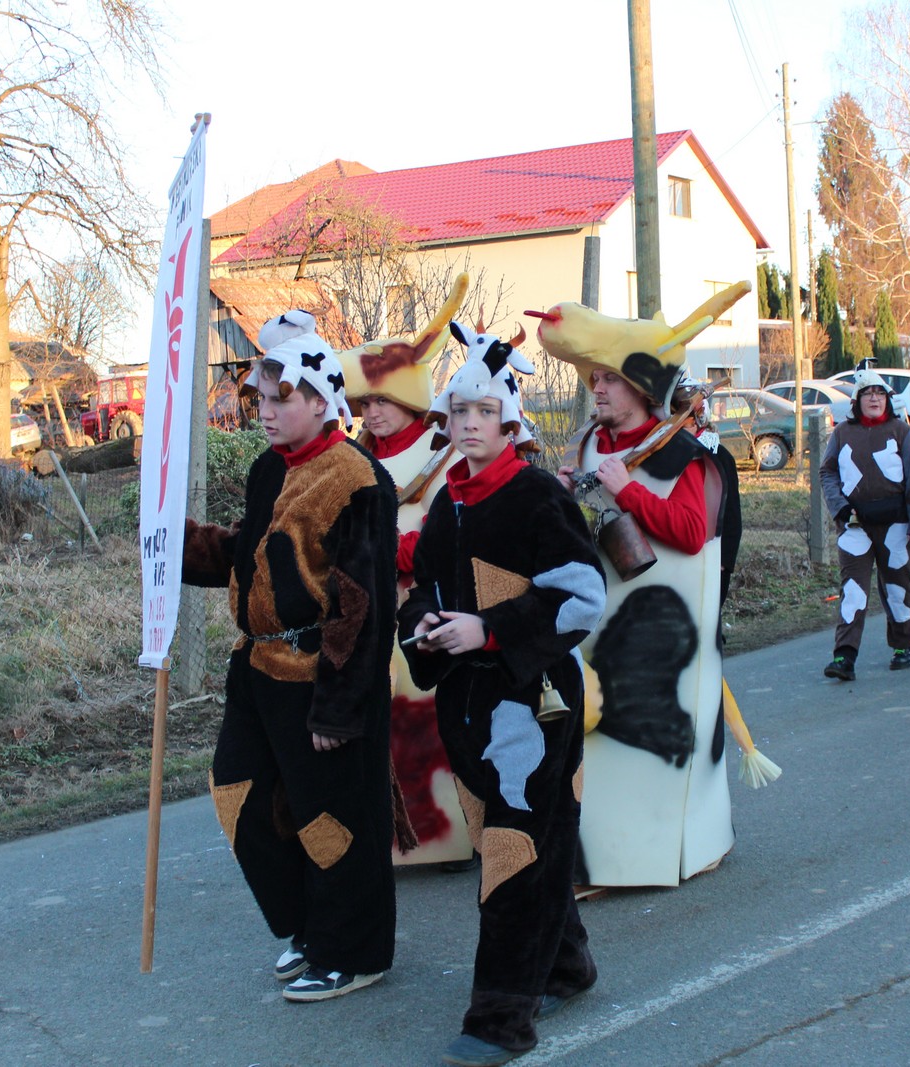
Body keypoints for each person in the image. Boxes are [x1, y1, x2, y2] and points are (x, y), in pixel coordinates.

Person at [399, 323, 603, 1067]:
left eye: (483, 413)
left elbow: (582, 596)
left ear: (510, 420)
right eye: (458, 414)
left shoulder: (537, 494)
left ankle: (500, 1018)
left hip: (532, 705)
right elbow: (421, 587)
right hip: (467, 711)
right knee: (518, 843)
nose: (468, 425)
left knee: (513, 853)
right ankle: (564, 964)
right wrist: (423, 627)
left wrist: (485, 631)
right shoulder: (446, 505)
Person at [180, 310, 399, 1002]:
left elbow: (361, 604)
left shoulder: (358, 479)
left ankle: (353, 950)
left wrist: (339, 704)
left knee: (330, 818)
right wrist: (174, 546)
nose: (267, 413)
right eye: (262, 401)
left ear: (320, 400)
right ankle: (310, 926)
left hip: (321, 679)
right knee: (242, 797)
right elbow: (253, 557)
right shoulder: (266, 469)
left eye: (281, 400)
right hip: (257, 673)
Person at [532, 282, 749, 889]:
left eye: (610, 378)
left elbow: (690, 532)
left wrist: (624, 488)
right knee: (596, 741)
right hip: (597, 627)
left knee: (653, 738)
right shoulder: (587, 444)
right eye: (593, 378)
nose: (596, 388)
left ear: (643, 387)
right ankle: (603, 858)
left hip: (663, 632)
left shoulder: (683, 452)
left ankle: (668, 852)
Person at [340, 274, 476, 869]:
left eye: (384, 401)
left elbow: (444, 539)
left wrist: (378, 551)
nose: (374, 413)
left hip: (425, 608)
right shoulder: (351, 461)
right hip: (367, 614)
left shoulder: (445, 454)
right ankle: (391, 839)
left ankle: (448, 836)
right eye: (365, 402)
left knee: (429, 720)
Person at [818, 366, 910, 678]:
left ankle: (902, 645)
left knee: (897, 589)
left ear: (888, 400)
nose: (874, 398)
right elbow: (827, 472)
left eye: (880, 393)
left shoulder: (901, 431)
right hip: (854, 526)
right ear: (857, 400)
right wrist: (840, 508)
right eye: (868, 393)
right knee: (853, 591)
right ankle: (844, 656)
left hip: (896, 525)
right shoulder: (842, 433)